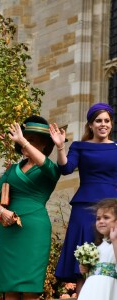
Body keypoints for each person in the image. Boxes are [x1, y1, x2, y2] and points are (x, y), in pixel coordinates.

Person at [0, 116, 61, 300]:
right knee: (9, 288)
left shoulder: (51, 168)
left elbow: (46, 166)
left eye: (32, 141)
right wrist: (2, 211)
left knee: (30, 289)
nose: (26, 144)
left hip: (34, 233)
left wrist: (22, 140)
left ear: (45, 145)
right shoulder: (13, 169)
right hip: (9, 231)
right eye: (25, 140)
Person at [49, 102, 117, 292]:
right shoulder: (80, 146)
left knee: (111, 256)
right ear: (90, 125)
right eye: (98, 121)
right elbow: (66, 168)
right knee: (83, 263)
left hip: (113, 208)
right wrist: (61, 147)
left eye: (107, 121)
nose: (103, 124)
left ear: (111, 124)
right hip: (84, 208)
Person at [77, 198, 117, 300]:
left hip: (108, 288)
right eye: (98, 218)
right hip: (92, 288)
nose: (101, 221)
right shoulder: (97, 246)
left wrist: (114, 240)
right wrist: (85, 268)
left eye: (106, 217)